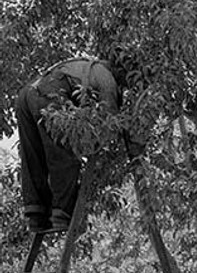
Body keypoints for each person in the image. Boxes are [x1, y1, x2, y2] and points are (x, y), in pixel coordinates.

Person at [15, 57, 121, 232]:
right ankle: (62, 213)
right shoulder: (106, 76)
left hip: (26, 94)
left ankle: (36, 213)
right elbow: (110, 119)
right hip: (49, 93)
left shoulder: (80, 65)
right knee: (64, 156)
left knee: (33, 156)